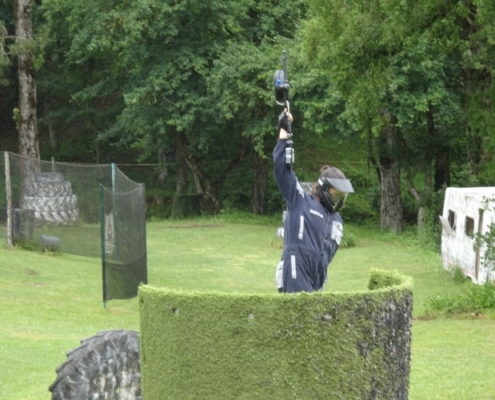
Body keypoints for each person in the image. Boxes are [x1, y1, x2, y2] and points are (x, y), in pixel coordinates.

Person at [273, 109, 354, 293]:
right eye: (335, 194)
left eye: (341, 196)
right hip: (296, 268)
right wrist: (284, 132)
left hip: (318, 275)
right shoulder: (300, 200)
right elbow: (281, 171)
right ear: (324, 188)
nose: (338, 200)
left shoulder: (336, 220)